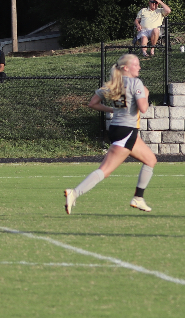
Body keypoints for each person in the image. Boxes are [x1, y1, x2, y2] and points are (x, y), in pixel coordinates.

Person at [64, 53, 157, 215]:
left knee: (150, 160)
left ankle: (138, 198)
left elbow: (92, 103)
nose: (139, 67)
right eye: (136, 64)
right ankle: (74, 193)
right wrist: (145, 94)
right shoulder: (136, 83)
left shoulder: (113, 83)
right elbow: (143, 108)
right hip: (127, 131)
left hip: (117, 129)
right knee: (105, 170)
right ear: (126, 68)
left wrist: (112, 109)